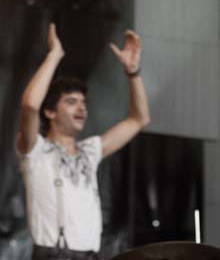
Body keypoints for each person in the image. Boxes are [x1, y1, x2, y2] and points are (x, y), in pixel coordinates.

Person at [16, 23, 151, 260]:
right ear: (50, 112)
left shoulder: (91, 150)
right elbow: (29, 105)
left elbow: (139, 119)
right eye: (71, 102)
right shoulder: (36, 150)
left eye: (83, 103)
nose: (81, 108)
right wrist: (54, 55)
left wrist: (133, 72)